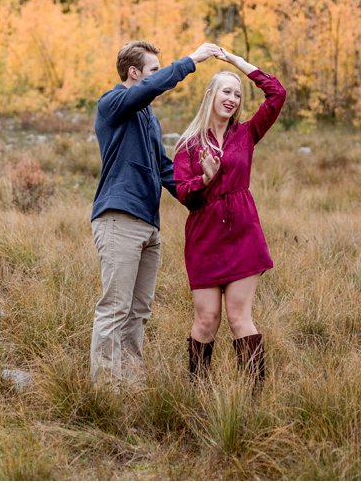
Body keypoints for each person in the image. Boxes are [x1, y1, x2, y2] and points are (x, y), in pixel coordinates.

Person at [90, 38, 222, 384]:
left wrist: (201, 188)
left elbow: (165, 169)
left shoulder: (149, 118)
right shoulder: (113, 102)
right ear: (134, 73)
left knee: (138, 312)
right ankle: (105, 391)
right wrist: (191, 60)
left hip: (149, 225)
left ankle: (131, 384)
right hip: (118, 217)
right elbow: (145, 91)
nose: (157, 77)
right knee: (115, 308)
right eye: (153, 70)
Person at [173, 47, 286, 384]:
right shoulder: (189, 145)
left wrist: (236, 63)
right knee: (207, 320)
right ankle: (198, 394)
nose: (233, 98)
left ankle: (252, 401)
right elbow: (182, 192)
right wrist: (205, 178)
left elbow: (277, 93)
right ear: (211, 95)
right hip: (204, 238)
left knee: (239, 318)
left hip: (243, 236)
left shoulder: (246, 134)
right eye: (226, 91)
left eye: (237, 94)